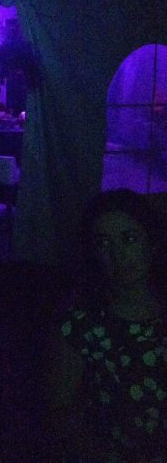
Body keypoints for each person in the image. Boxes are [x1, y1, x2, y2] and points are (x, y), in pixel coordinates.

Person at [46, 191, 167, 462]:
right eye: (104, 243)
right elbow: (60, 409)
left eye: (129, 239)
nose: (118, 254)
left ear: (152, 242)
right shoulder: (81, 323)